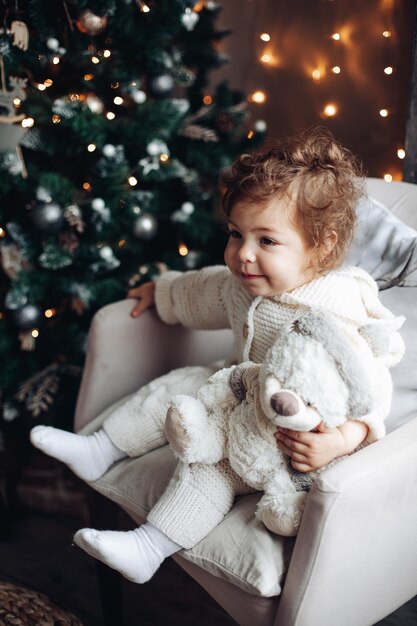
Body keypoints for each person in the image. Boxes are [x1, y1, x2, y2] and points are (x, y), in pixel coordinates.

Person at [30, 127, 404, 585]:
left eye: (266, 241)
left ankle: (150, 546)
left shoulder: (337, 310)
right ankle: (101, 448)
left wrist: (345, 438)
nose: (243, 254)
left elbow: (373, 389)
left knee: (213, 469)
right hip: (234, 390)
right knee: (181, 383)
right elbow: (202, 290)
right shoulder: (243, 283)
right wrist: (161, 291)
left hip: (281, 438)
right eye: (235, 234)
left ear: (322, 245)